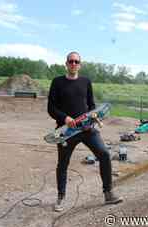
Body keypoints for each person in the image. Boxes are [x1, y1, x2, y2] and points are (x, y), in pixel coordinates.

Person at [47, 51, 123, 212]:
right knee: (63, 164)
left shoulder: (86, 82)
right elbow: (51, 108)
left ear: (80, 65)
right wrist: (65, 117)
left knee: (104, 154)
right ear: (66, 64)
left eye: (76, 62)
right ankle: (61, 197)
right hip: (66, 131)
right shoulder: (57, 82)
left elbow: (91, 105)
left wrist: (92, 117)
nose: (73, 64)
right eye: (71, 61)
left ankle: (108, 193)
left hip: (87, 129)